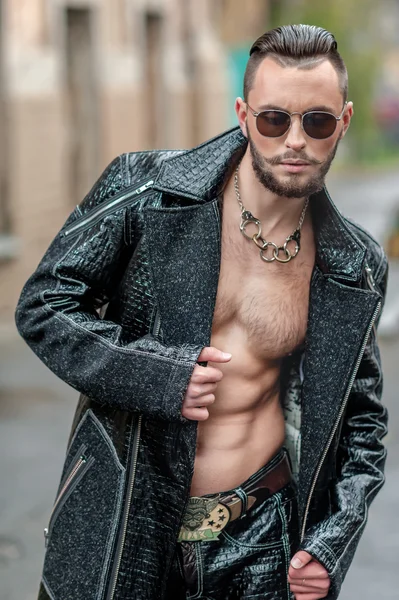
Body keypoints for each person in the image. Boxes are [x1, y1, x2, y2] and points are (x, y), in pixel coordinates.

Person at [15, 24, 388, 600]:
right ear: (243, 114)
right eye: (273, 120)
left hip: (261, 537)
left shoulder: (353, 265)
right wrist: (153, 373)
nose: (294, 141)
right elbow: (44, 303)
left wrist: (333, 538)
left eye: (316, 122)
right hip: (124, 521)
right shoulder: (148, 190)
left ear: (343, 121)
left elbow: (363, 426)